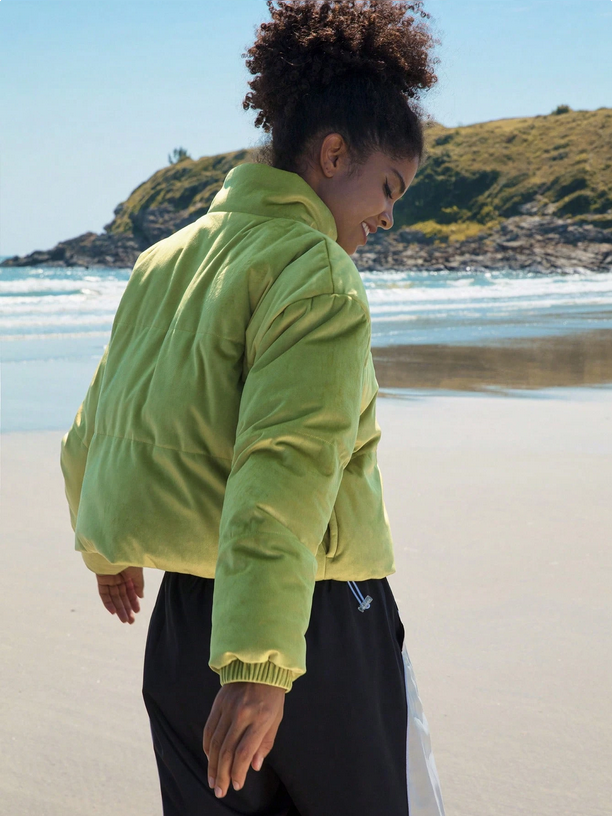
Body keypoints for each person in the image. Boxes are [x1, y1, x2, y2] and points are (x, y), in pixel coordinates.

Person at [60, 1, 445, 813]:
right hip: (311, 622)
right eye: (388, 187)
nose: (386, 217)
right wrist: (259, 665)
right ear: (333, 153)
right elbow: (285, 468)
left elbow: (94, 428)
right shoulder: (315, 271)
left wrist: (106, 546)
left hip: (181, 628)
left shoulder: (163, 261)